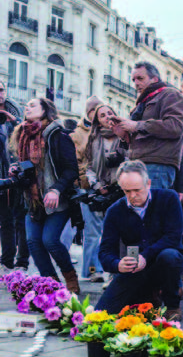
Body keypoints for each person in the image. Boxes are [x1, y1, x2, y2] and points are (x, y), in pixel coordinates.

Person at [96, 161, 183, 321]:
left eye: (137, 190)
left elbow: (173, 237)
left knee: (169, 256)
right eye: (126, 191)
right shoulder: (115, 211)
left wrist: (145, 256)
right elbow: (105, 252)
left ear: (148, 183)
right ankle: (150, 295)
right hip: (135, 269)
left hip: (164, 262)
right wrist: (117, 264)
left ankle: (173, 304)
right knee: (101, 314)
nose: (132, 196)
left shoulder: (168, 198)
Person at [9, 98, 79, 292]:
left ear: (45, 110)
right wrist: (16, 169)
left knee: (50, 241)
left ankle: (70, 277)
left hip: (58, 200)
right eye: (27, 105)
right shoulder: (22, 135)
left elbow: (71, 169)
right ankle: (52, 285)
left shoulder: (58, 135)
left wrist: (56, 189)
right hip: (32, 200)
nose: (27, 108)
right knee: (33, 242)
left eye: (32, 105)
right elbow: (26, 166)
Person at [112, 62, 183, 190]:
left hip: (158, 165)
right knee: (141, 209)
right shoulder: (142, 103)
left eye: (140, 78)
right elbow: (140, 136)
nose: (136, 83)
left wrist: (137, 126)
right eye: (133, 79)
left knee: (152, 208)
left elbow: (176, 127)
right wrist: (124, 136)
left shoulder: (171, 94)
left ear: (155, 79)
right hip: (138, 164)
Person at [83, 104, 127, 284]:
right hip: (99, 191)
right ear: (97, 120)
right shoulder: (93, 140)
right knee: (95, 235)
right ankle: (95, 270)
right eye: (102, 115)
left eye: (110, 112)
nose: (107, 116)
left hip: (121, 190)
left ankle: (115, 273)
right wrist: (97, 184)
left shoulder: (124, 136)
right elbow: (89, 167)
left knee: (120, 234)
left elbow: (133, 160)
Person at [70, 96, 104, 280]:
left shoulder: (108, 131)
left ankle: (104, 270)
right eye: (96, 111)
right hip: (89, 188)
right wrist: (87, 179)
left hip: (109, 188)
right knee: (92, 232)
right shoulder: (78, 134)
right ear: (89, 112)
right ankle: (92, 270)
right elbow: (76, 163)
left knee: (107, 232)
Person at [0, 80, 27, 272]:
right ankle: (6, 260)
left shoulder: (17, 112)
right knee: (5, 220)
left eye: (0, 89)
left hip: (20, 175)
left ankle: (22, 262)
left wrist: (13, 120)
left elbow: (29, 132)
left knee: (21, 220)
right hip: (1, 176)